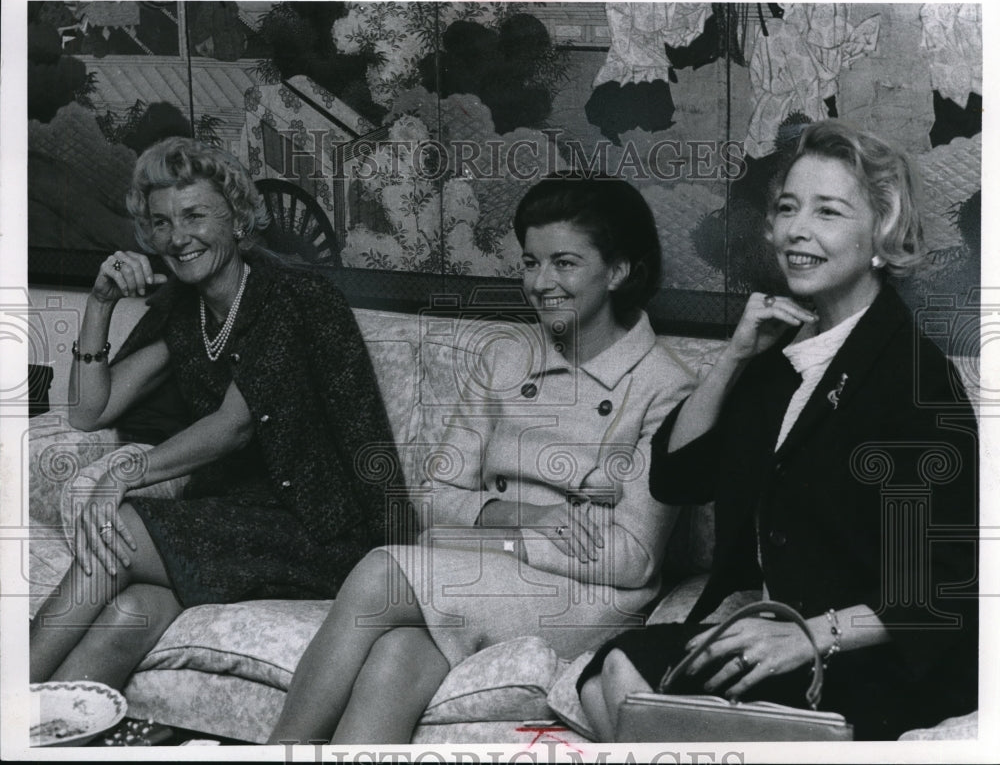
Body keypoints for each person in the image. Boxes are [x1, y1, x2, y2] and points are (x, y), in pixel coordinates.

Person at [576, 119, 979, 742]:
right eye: (789, 207)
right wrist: (734, 357)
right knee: (608, 673)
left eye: (828, 212)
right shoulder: (785, 351)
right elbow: (677, 478)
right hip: (776, 623)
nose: (797, 229)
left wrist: (808, 635)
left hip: (877, 656)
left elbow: (944, 582)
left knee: (625, 683)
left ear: (882, 233)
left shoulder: (912, 380)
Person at [266, 173, 697, 744]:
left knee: (382, 571)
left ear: (618, 271)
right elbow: (433, 498)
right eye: (529, 262)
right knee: (397, 656)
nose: (541, 283)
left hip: (588, 598)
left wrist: (479, 535)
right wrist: (525, 519)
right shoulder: (504, 359)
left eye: (564, 263)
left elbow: (631, 560)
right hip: (502, 562)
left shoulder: (665, 385)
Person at [30, 137, 413, 688]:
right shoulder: (186, 311)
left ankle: (7, 700)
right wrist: (99, 303)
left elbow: (235, 425)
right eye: (160, 223)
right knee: (135, 609)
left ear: (236, 219)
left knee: (121, 523)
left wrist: (123, 474)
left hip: (327, 532)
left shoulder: (294, 296)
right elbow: (91, 410)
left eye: (194, 216)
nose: (177, 237)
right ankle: (50, 727)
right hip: (241, 520)